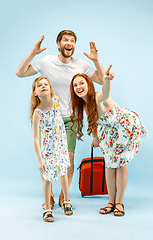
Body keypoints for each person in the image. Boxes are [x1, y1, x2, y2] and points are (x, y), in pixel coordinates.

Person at [16, 30, 105, 208]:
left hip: (71, 118)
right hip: (49, 118)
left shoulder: (81, 64)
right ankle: (48, 195)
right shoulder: (47, 61)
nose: (69, 43)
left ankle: (64, 197)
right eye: (65, 40)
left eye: (72, 40)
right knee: (47, 157)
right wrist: (33, 53)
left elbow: (103, 81)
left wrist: (95, 60)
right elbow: (20, 73)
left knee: (69, 158)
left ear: (74, 45)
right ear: (59, 43)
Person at [70, 65, 147, 216]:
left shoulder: (98, 97)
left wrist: (107, 79)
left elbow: (106, 92)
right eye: (75, 85)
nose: (78, 87)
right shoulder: (85, 106)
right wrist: (95, 136)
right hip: (110, 133)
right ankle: (111, 201)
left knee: (121, 164)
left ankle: (119, 202)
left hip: (125, 127)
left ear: (89, 85)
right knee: (110, 165)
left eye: (81, 83)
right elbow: (94, 121)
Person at [31, 76, 73, 222]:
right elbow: (35, 138)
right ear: (35, 92)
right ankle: (48, 209)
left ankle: (66, 200)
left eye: (46, 84)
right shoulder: (38, 113)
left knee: (63, 173)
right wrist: (39, 159)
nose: (44, 86)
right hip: (48, 151)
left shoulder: (56, 100)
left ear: (50, 88)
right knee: (47, 179)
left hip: (61, 146)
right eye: (39, 85)